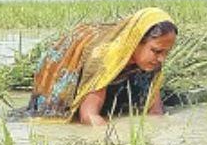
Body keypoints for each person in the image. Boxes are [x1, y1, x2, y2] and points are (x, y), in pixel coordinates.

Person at [26, 7, 177, 125]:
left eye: (167, 52)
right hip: (71, 62)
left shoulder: (152, 59)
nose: (162, 59)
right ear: (135, 42)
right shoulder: (104, 58)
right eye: (157, 51)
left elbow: (155, 111)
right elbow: (89, 116)